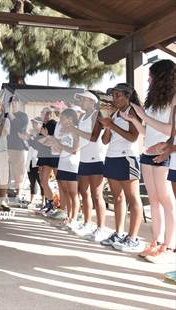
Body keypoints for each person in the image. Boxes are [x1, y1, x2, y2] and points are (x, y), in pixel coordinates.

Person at [123, 60, 176, 263]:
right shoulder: (153, 100)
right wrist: (135, 119)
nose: (148, 79)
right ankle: (156, 241)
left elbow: (169, 130)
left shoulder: (173, 98)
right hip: (147, 153)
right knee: (153, 200)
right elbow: (149, 131)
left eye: (152, 75)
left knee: (166, 201)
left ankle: (169, 246)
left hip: (164, 154)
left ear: (162, 76)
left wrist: (144, 114)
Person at [99, 83, 143, 252]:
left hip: (127, 158)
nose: (114, 98)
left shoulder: (132, 111)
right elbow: (104, 141)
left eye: (118, 95)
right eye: (113, 95)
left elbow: (133, 137)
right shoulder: (115, 113)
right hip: (112, 157)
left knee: (133, 198)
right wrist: (109, 125)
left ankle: (132, 238)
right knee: (117, 198)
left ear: (128, 96)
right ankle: (119, 233)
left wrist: (112, 125)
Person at [64, 91, 108, 241]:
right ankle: (88, 223)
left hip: (96, 159)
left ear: (91, 101)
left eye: (83, 99)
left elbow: (94, 137)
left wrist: (74, 130)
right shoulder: (82, 116)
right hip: (84, 159)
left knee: (96, 195)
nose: (80, 101)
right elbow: (79, 136)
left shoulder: (97, 115)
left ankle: (101, 228)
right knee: (84, 192)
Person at [49, 109, 80, 231]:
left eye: (63, 118)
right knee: (66, 192)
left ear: (70, 118)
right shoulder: (63, 130)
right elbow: (59, 148)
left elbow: (74, 149)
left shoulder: (76, 130)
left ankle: (74, 219)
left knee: (73, 194)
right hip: (63, 162)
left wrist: (60, 145)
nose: (60, 120)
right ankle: (68, 217)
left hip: (73, 164)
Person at [7, 95, 29, 204]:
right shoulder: (5, 116)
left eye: (15, 102)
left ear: (19, 104)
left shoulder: (23, 116)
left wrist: (10, 114)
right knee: (5, 173)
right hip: (5, 148)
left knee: (18, 174)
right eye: (11, 102)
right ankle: (4, 197)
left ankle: (18, 195)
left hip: (18, 148)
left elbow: (19, 127)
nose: (14, 104)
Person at [36, 107, 59, 212]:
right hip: (43, 156)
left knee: (60, 183)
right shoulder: (42, 125)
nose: (45, 116)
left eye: (47, 114)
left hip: (53, 156)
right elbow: (39, 141)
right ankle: (50, 203)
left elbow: (52, 141)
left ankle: (62, 207)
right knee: (43, 181)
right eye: (43, 113)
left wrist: (45, 137)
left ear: (50, 114)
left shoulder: (53, 124)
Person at [19, 118, 44, 209]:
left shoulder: (42, 134)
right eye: (33, 123)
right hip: (30, 160)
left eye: (36, 123)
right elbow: (27, 147)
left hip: (39, 161)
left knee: (41, 182)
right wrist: (24, 139)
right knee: (32, 181)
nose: (33, 125)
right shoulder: (31, 134)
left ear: (40, 124)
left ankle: (43, 202)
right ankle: (32, 200)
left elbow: (37, 146)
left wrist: (29, 138)